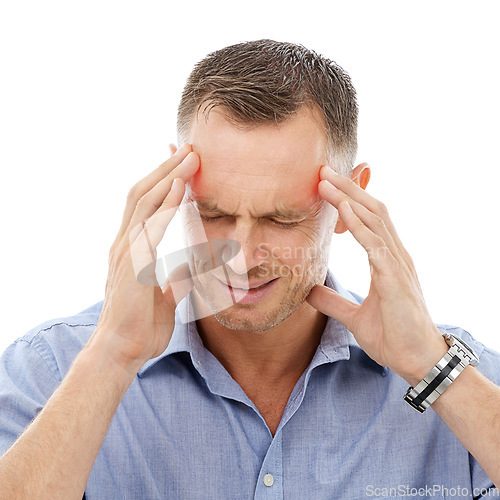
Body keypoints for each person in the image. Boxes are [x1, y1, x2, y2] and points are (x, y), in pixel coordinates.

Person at [0, 39, 499, 499]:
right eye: (213, 214)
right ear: (174, 185)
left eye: (281, 218)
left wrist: (433, 369)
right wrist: (109, 357)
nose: (241, 256)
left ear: (351, 198)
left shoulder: (468, 383)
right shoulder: (49, 371)